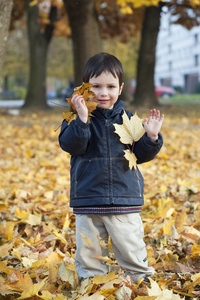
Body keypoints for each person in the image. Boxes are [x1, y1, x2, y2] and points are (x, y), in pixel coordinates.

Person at [59, 52, 164, 283]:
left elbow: (141, 155)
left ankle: (140, 280)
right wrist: (82, 119)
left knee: (130, 245)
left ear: (120, 88)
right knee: (89, 251)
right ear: (85, 87)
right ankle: (91, 281)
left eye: (110, 86)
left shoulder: (129, 120)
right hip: (88, 198)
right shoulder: (75, 118)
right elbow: (71, 145)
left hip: (124, 197)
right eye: (96, 86)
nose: (103, 93)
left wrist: (152, 137)